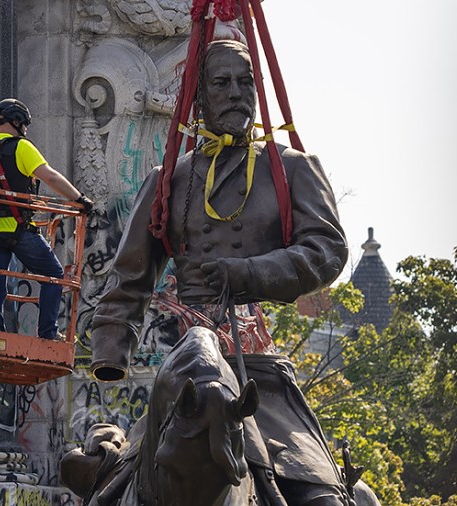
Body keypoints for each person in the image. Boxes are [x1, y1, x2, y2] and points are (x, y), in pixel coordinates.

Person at [89, 40, 351, 506]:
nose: (236, 93)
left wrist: (250, 272)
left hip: (262, 377)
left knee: (321, 499)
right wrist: (111, 351)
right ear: (199, 97)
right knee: (107, 494)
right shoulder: (168, 177)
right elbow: (130, 275)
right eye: (222, 82)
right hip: (185, 373)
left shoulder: (292, 169)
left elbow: (327, 249)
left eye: (245, 82)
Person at [0, 98, 93, 339]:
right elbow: (50, 177)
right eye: (24, 124)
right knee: (54, 274)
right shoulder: (21, 147)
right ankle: (48, 332)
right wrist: (80, 198)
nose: (25, 129)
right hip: (18, 230)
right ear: (16, 122)